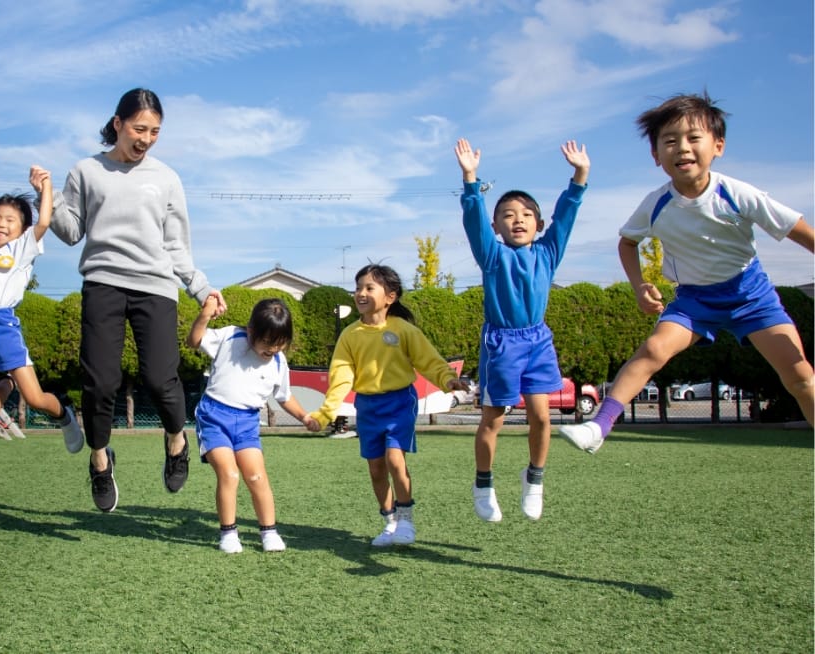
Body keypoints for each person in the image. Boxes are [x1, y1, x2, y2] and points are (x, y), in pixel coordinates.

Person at [560, 92, 814, 454]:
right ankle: (598, 427)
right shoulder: (655, 203)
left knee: (800, 375)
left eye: (694, 138)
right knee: (653, 349)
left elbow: (799, 229)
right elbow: (627, 243)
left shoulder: (738, 194)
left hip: (751, 295)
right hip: (694, 300)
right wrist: (639, 286)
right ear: (655, 156)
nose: (682, 148)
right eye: (670, 141)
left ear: (718, 146)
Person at [46, 87, 226, 512]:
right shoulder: (86, 171)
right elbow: (71, 232)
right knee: (100, 382)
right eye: (139, 129)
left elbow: (177, 245)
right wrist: (47, 201)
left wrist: (200, 287)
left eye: (155, 132)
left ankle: (176, 440)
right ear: (117, 124)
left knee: (161, 380)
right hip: (103, 282)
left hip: (155, 286)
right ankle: (100, 459)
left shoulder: (166, 178)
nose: (145, 138)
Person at [454, 138, 590, 522]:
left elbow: (568, 215)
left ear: (539, 224)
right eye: (508, 214)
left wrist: (580, 175)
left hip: (538, 341)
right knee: (492, 420)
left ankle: (534, 479)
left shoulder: (547, 253)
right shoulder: (493, 255)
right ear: (496, 225)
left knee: (542, 417)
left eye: (527, 214)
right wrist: (470, 180)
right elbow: (474, 221)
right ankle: (483, 484)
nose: (518, 219)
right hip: (501, 343)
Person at [305, 264, 466, 547]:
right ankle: (390, 521)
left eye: (369, 288)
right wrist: (325, 413)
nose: (360, 293)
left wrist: (448, 379)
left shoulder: (403, 330)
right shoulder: (350, 335)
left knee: (395, 459)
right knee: (376, 469)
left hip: (400, 402)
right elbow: (341, 378)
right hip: (368, 407)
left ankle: (406, 520)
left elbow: (428, 360)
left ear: (390, 297)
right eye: (358, 288)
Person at [0, 169, 83, 452]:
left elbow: (45, 220)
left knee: (37, 398)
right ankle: (9, 384)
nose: (0, 224)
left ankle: (65, 415)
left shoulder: (22, 248)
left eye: (9, 220)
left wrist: (47, 186)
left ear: (23, 229)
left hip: (1, 326)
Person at [187, 296, 317, 553]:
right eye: (267, 343)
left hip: (247, 422)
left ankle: (269, 532)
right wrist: (205, 315)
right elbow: (193, 341)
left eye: (279, 344)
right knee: (229, 474)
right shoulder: (229, 337)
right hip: (214, 417)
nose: (272, 350)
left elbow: (284, 396)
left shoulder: (279, 362)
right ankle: (228, 533)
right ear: (251, 331)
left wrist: (304, 417)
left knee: (257, 476)